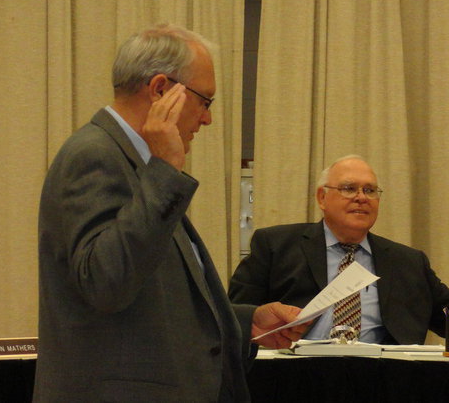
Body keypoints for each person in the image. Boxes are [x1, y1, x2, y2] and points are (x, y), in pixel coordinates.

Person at [35, 24, 307, 402]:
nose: (207, 119)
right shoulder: (95, 155)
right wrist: (165, 172)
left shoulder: (138, 164)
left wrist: (246, 323)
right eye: (205, 101)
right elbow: (106, 283)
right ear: (161, 89)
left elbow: (157, 298)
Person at [229, 155, 449, 345]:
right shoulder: (276, 245)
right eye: (349, 188)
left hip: (384, 379)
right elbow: (234, 317)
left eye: (370, 191)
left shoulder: (407, 261)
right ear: (322, 197)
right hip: (298, 376)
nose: (361, 198)